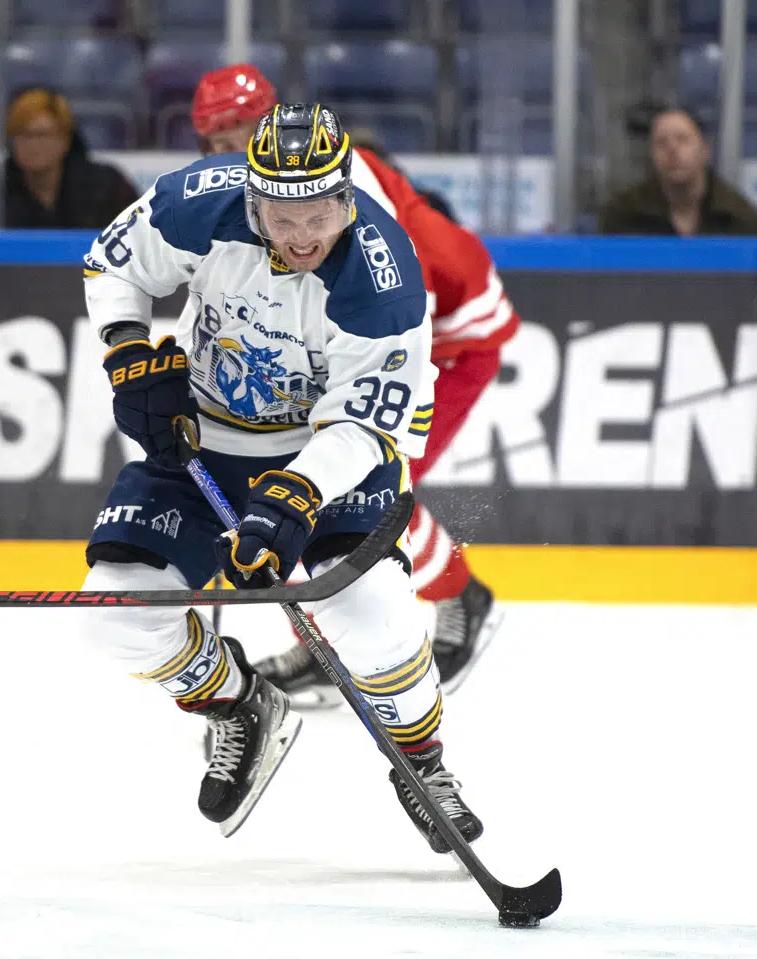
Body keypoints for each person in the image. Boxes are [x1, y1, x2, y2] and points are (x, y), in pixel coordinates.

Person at [79, 102, 483, 851]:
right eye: (281, 216)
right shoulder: (200, 201)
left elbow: (365, 421)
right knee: (115, 611)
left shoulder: (385, 280)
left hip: (328, 451)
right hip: (206, 437)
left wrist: (295, 494)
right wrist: (127, 347)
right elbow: (114, 262)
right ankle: (239, 705)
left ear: (346, 198)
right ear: (251, 197)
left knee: (374, 613)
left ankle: (424, 763)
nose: (300, 236)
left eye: (318, 215)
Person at [190, 64, 516, 699]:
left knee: (365, 488)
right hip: (377, 333)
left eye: (241, 133)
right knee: (308, 491)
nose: (228, 151)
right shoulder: (258, 185)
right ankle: (326, 637)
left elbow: (397, 291)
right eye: (216, 141)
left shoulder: (332, 174)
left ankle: (461, 596)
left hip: (445, 337)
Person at [599, 108, 757, 236]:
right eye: (661, 143)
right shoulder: (622, 216)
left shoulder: (741, 218)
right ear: (651, 155)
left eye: (683, 139)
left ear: (705, 150)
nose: (672, 150)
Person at [4, 88, 139, 230]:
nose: (32, 144)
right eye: (22, 135)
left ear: (65, 140)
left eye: (42, 135)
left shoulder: (108, 187)